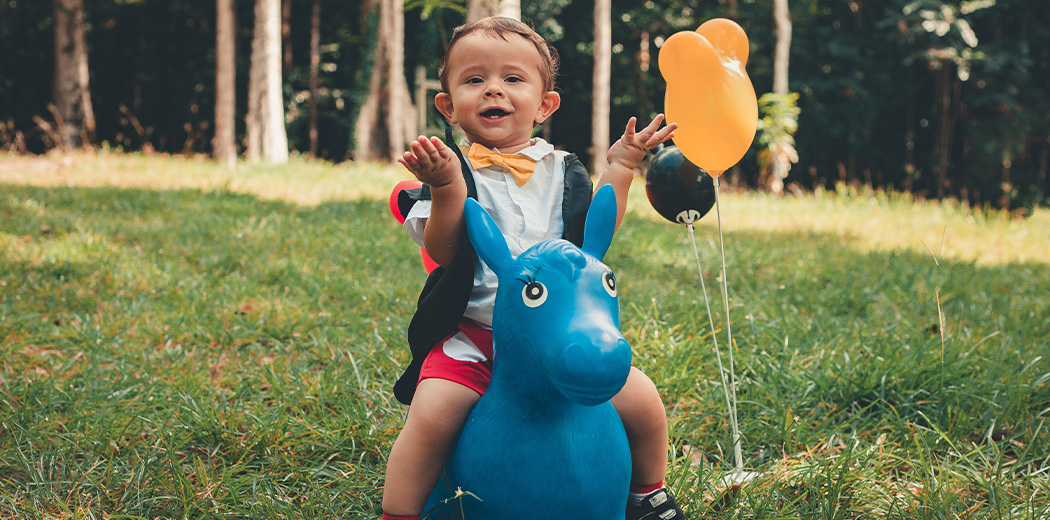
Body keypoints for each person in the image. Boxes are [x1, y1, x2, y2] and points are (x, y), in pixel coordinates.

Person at [383, 16, 685, 520]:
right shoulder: (449, 167)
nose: (493, 90)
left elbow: (594, 232)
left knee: (642, 399)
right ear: (448, 106)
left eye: (513, 79)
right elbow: (441, 248)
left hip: (554, 334)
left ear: (545, 104)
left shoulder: (563, 170)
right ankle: (400, 511)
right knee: (432, 416)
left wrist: (623, 164)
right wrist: (444, 186)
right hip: (473, 334)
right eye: (474, 80)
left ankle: (646, 493)